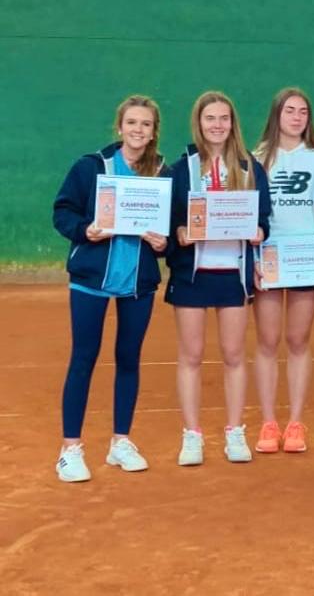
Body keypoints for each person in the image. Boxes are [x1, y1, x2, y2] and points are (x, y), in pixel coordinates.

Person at [51, 95, 170, 482]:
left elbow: (171, 225)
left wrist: (162, 242)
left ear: (154, 132)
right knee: (83, 357)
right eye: (132, 123)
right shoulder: (91, 167)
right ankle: (70, 449)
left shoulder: (162, 173)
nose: (138, 130)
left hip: (137, 283)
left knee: (129, 358)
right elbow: (63, 211)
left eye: (146, 124)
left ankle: (121, 442)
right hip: (91, 281)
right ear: (119, 127)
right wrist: (84, 230)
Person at [167, 91, 271, 466]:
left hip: (233, 275)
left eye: (223, 118)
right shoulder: (182, 169)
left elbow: (264, 218)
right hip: (193, 275)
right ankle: (192, 435)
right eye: (210, 118)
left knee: (233, 355)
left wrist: (259, 232)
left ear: (232, 123)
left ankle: (234, 431)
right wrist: (180, 233)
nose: (217, 125)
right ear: (199, 122)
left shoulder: (249, 167)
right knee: (191, 355)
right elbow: (171, 221)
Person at [251, 87, 314, 453]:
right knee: (268, 342)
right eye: (290, 110)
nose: (297, 117)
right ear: (276, 115)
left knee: (298, 340)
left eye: (303, 111)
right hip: (267, 260)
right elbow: (249, 215)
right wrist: (252, 262)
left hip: (306, 261)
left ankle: (295, 423)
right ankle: (269, 423)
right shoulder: (256, 159)